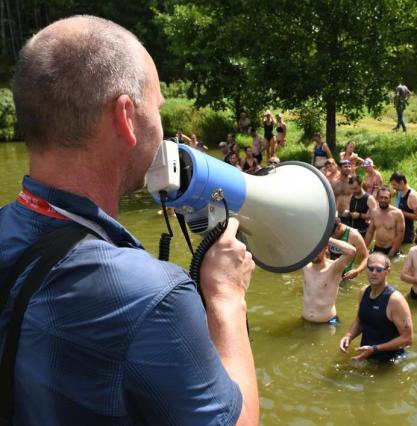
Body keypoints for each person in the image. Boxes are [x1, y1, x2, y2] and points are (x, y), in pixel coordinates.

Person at [1, 16, 258, 424]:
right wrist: (226, 296)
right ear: (125, 116)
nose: (162, 126)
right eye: (155, 107)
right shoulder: (152, 296)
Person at [339, 252, 413, 362]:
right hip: (366, 355)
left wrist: (375, 349)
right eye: (370, 269)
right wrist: (349, 336)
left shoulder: (395, 300)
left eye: (379, 270)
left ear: (387, 271)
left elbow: (407, 339)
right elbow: (360, 321)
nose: (374, 273)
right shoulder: (363, 292)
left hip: (390, 362)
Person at [303, 237, 356, 324]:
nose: (314, 253)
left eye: (318, 249)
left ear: (325, 248)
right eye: (312, 249)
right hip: (305, 321)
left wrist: (326, 238)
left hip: (328, 323)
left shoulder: (334, 267)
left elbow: (352, 251)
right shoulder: (305, 266)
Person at [365, 186, 405, 257]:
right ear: (377, 198)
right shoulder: (374, 212)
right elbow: (370, 232)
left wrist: (391, 253)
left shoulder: (397, 214)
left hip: (391, 249)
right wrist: (364, 248)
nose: (383, 200)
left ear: (390, 199)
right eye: (381, 197)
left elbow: (400, 235)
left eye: (386, 198)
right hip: (377, 248)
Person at [390, 171, 417, 244]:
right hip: (398, 229)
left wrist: (402, 212)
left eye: (395, 185)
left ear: (402, 182)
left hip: (407, 233)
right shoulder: (400, 191)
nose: (393, 187)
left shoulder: (412, 195)